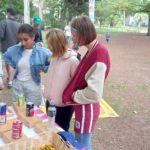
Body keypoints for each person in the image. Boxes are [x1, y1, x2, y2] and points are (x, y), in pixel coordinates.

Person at [63, 16, 110, 150]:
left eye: (73, 34)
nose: (72, 37)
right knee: (80, 142)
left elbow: (94, 93)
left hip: (86, 107)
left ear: (82, 34)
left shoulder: (99, 52)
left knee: (82, 145)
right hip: (83, 107)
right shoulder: (93, 50)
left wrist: (74, 95)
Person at [3, 24, 51, 105]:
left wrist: (43, 68)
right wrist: (13, 66)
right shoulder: (14, 50)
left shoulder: (43, 52)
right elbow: (6, 56)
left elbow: (53, 64)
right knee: (18, 110)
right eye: (20, 39)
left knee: (34, 112)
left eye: (26, 39)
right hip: (18, 86)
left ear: (33, 37)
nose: (23, 43)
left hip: (33, 86)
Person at [44, 28, 79, 131]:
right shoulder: (54, 57)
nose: (48, 46)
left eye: (50, 43)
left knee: (61, 134)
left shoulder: (72, 61)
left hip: (63, 107)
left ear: (57, 43)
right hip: (50, 103)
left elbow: (77, 84)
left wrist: (67, 99)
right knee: (50, 130)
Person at [0, 8, 20, 88]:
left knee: (8, 63)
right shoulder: (19, 24)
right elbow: (20, 38)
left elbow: (1, 35)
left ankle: (10, 80)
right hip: (15, 46)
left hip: (5, 47)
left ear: (8, 13)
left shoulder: (3, 22)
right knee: (12, 63)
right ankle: (10, 78)